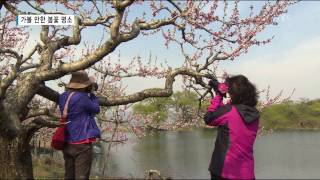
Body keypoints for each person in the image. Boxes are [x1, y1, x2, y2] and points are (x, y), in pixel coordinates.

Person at [204, 75, 260, 180]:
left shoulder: (229, 111)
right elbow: (236, 109)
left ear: (234, 94)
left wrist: (219, 95)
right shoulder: (255, 115)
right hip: (247, 174)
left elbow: (208, 118)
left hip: (223, 171)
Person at [59, 70, 101, 179]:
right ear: (84, 85)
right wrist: (92, 95)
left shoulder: (62, 96)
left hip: (67, 142)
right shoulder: (83, 98)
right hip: (82, 143)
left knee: (69, 175)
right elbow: (96, 109)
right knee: (81, 176)